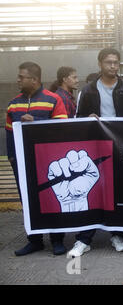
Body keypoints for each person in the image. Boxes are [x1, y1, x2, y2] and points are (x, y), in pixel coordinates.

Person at [68, 48, 123, 257]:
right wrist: (87, 118)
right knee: (91, 190)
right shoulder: (89, 90)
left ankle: (117, 234)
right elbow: (80, 118)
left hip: (120, 147)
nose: (113, 66)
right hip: (95, 148)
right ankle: (84, 239)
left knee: (117, 190)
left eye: (116, 62)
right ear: (100, 64)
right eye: (108, 62)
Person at [6, 62, 68, 256]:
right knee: (28, 200)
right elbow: (9, 134)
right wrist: (12, 158)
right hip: (23, 162)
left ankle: (57, 240)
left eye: (21, 76)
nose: (18, 79)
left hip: (48, 161)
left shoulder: (54, 99)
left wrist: (37, 122)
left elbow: (62, 128)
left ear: (34, 79)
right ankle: (35, 241)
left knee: (52, 197)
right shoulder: (14, 104)